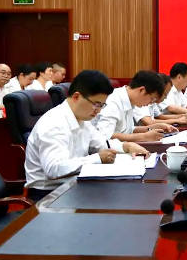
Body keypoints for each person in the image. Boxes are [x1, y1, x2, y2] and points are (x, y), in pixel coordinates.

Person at [24, 70, 148, 200]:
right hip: (49, 195)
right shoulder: (54, 123)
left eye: (102, 105)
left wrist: (126, 147)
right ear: (76, 97)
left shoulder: (82, 119)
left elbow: (101, 144)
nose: (98, 111)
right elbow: (54, 169)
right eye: (96, 104)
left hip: (73, 185)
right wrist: (97, 158)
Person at [92, 70, 169, 142]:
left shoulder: (130, 101)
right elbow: (105, 135)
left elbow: (128, 130)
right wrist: (143, 136)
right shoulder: (113, 101)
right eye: (152, 99)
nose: (151, 103)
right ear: (142, 90)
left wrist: (150, 128)